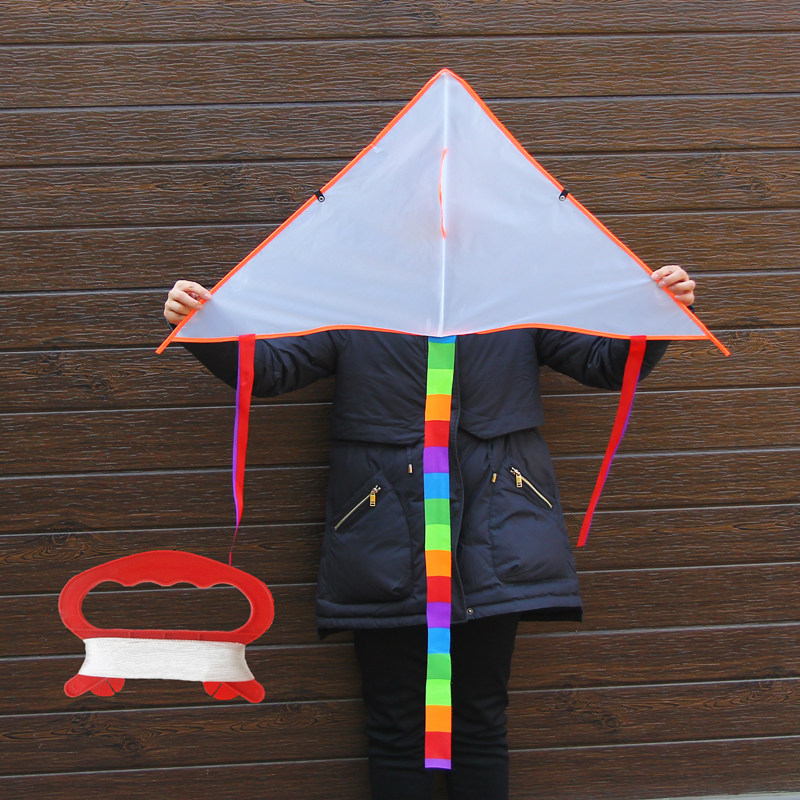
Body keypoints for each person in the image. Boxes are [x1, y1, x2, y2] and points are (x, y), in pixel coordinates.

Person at [164, 264, 696, 800]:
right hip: (384, 541)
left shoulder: (513, 293)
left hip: (494, 539)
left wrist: (657, 311)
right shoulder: (355, 298)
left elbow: (606, 364)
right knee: (396, 723)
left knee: (479, 719)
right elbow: (270, 370)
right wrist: (203, 325)